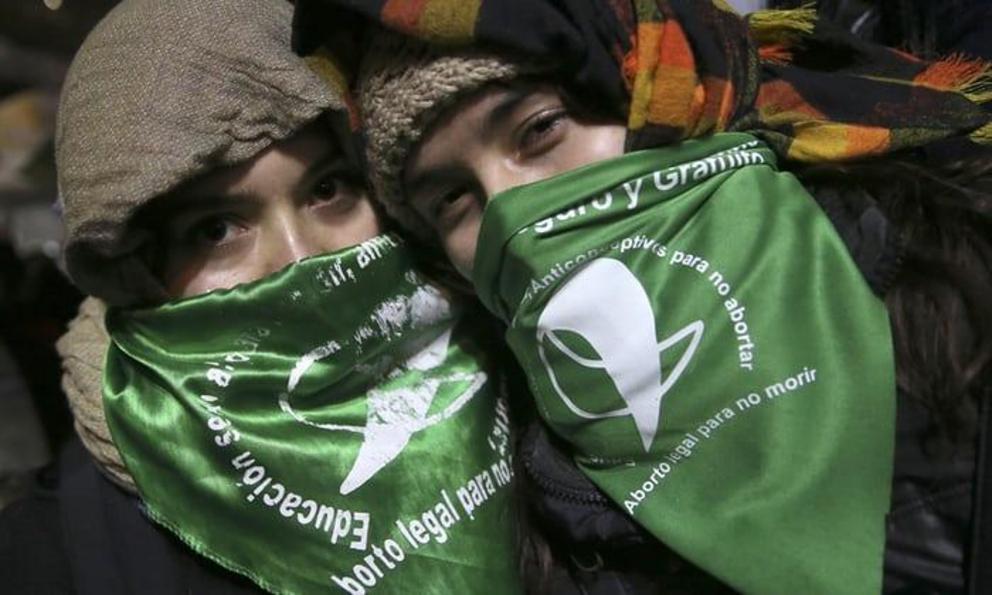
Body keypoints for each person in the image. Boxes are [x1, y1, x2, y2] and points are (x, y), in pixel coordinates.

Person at [292, 1, 992, 592]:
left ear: (661, 101)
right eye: (450, 198)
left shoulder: (955, 257)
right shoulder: (532, 485)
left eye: (539, 131)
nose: (511, 212)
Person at [0, 1, 521, 593]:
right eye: (216, 230)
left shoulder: (535, 369)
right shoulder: (57, 557)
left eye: (329, 190)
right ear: (141, 275)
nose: (302, 259)